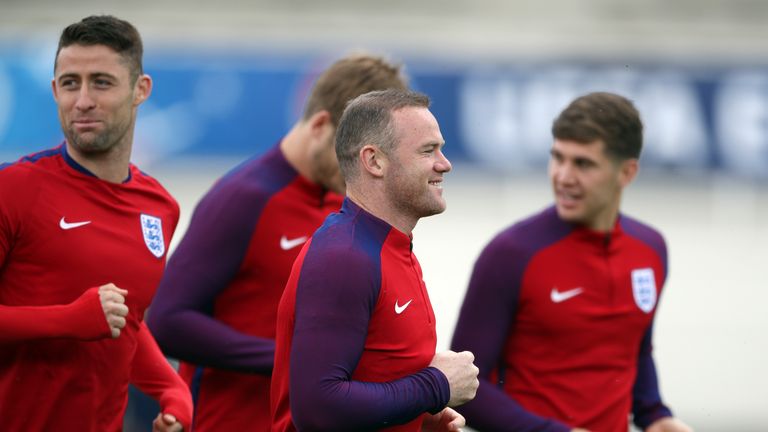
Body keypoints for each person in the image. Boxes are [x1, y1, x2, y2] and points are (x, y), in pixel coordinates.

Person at [146, 54, 409, 431]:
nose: (365, 170)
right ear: (320, 125)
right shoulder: (244, 198)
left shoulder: (356, 207)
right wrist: (291, 358)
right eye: (354, 154)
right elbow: (168, 321)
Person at [450, 92, 693, 432]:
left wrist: (657, 416)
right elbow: (464, 390)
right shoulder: (511, 253)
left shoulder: (651, 250)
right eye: (558, 158)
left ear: (626, 172)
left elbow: (633, 349)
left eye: (583, 163)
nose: (563, 176)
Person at [0, 15, 192, 432]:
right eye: (70, 83)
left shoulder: (160, 208)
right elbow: (87, 318)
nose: (82, 100)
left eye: (101, 82)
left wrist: (171, 387)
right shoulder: (12, 190)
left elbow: (126, 322)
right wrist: (67, 320)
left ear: (141, 90)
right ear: (54, 91)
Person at [270, 89, 479, 431]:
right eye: (428, 151)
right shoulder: (345, 257)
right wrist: (436, 386)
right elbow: (317, 409)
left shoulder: (390, 247)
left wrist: (418, 415)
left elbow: (372, 378)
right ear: (375, 161)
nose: (445, 163)